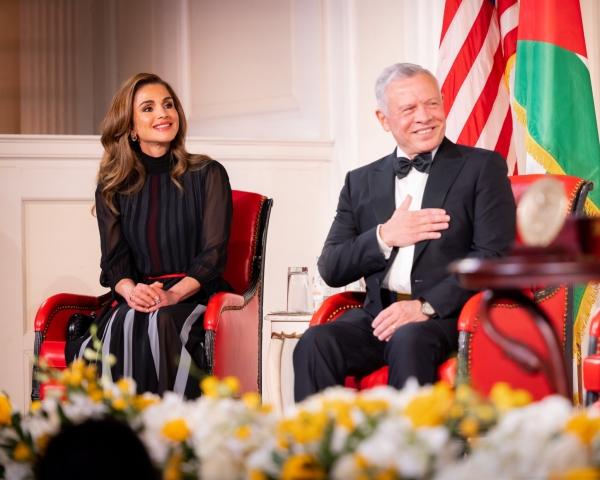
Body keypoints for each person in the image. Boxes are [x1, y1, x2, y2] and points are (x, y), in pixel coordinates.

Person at [293, 63, 516, 401]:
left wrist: (424, 307)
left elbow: (493, 257)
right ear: (383, 119)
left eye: (431, 103)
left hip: (448, 318)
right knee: (315, 343)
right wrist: (384, 237)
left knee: (408, 339)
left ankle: (409, 438)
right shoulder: (359, 181)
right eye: (409, 109)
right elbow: (332, 267)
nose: (424, 116)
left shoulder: (482, 167)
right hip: (378, 317)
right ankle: (319, 436)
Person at [65, 73, 233, 399]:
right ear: (130, 127)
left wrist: (173, 295)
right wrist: (131, 292)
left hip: (196, 295)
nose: (163, 114)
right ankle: (126, 425)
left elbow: (214, 255)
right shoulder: (113, 187)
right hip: (139, 296)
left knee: (161, 320)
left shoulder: (207, 173)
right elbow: (114, 263)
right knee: (127, 321)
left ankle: (171, 425)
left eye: (168, 105)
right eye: (148, 108)